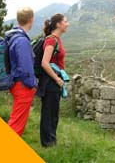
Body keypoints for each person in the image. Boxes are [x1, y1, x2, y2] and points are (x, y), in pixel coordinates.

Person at [37, 13, 69, 147]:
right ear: (58, 24)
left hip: (53, 82)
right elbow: (45, 63)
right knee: (49, 113)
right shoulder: (51, 40)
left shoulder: (57, 39)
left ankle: (51, 141)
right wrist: (57, 79)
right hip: (50, 82)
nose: (68, 24)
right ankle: (47, 143)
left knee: (53, 113)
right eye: (65, 21)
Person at [6, 7, 37, 136]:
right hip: (22, 86)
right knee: (16, 125)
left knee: (16, 120)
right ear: (31, 20)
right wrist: (32, 84)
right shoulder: (22, 40)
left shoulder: (13, 36)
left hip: (15, 83)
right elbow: (25, 68)